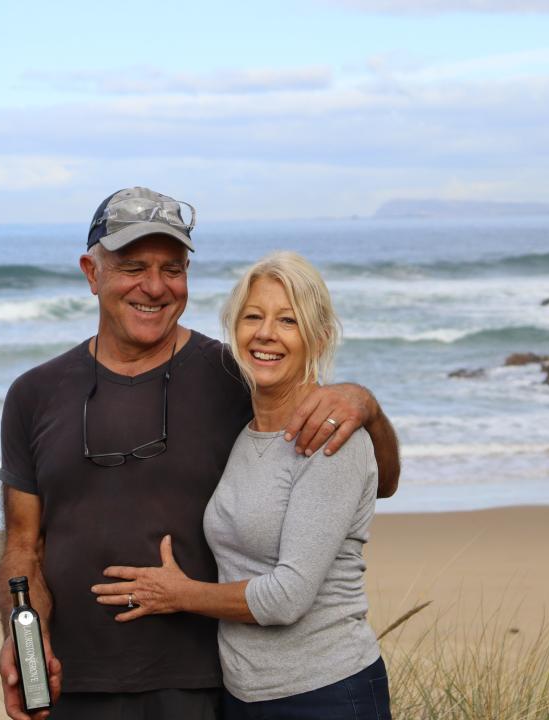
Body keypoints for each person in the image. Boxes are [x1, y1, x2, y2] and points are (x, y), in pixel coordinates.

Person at [0, 188, 400, 720]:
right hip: (71, 685)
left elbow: (379, 478)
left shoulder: (237, 378)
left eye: (173, 268)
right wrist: (21, 637)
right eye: (133, 266)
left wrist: (364, 404)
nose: (155, 287)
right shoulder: (34, 394)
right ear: (92, 273)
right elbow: (23, 546)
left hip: (204, 688)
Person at [90, 251, 391, 719]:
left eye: (288, 320)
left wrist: (178, 594)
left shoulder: (330, 438)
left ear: (320, 336)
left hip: (326, 693)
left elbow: (287, 597)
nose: (266, 333)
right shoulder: (244, 432)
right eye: (253, 317)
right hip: (244, 696)